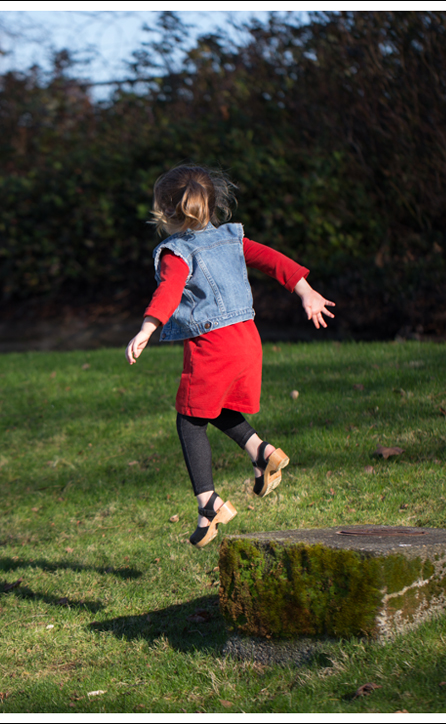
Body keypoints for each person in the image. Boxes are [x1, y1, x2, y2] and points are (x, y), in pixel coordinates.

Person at [125, 164, 335, 548]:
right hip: (247, 341)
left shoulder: (176, 252)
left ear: (164, 212)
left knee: (190, 419)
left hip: (213, 347)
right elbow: (273, 259)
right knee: (211, 405)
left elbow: (168, 291)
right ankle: (262, 452)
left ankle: (209, 505)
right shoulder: (231, 238)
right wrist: (306, 291)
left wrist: (146, 328)